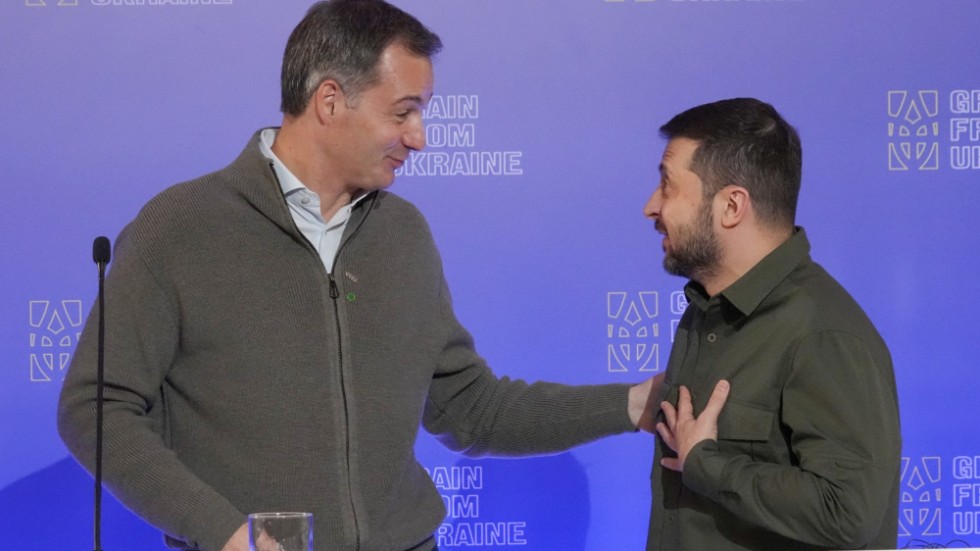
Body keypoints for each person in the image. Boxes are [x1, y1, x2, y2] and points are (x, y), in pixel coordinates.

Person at [56, 2, 660, 551]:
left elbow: (469, 407)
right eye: (404, 112)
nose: (420, 139)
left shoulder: (404, 234)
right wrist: (221, 532)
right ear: (329, 101)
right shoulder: (182, 228)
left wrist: (634, 405)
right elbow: (95, 406)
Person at [641, 98, 901, 550]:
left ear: (731, 206)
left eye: (667, 186)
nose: (650, 206)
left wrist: (707, 464)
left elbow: (848, 513)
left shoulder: (822, 334)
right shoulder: (703, 312)